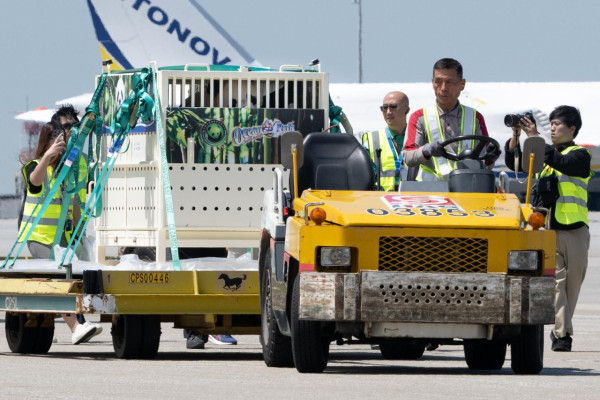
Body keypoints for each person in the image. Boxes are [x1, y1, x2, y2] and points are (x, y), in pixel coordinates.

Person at [505, 105, 592, 352]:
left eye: (557, 124)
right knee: (556, 283)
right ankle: (562, 333)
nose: (552, 128)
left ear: (572, 129)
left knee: (572, 285)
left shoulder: (580, 155)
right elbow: (517, 163)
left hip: (575, 230)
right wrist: (516, 135)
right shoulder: (543, 156)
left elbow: (561, 161)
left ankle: (561, 328)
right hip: (547, 231)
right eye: (550, 124)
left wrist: (535, 138)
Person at [18, 105, 102, 345]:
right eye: (67, 127)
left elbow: (79, 209)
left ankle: (85, 321)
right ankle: (76, 327)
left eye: (76, 126)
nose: (73, 131)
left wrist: (81, 233)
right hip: (39, 237)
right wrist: (48, 156)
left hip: (66, 237)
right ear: (55, 134)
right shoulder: (36, 165)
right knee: (60, 271)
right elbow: (34, 182)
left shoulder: (82, 164)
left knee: (83, 269)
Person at [402, 58, 499, 181]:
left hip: (466, 188)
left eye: (449, 82)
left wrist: (491, 158)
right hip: (430, 193)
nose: (443, 88)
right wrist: (426, 150)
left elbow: (486, 162)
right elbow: (407, 157)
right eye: (438, 81)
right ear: (432, 83)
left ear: (462, 84)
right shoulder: (419, 117)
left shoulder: (476, 117)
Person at [362, 91, 410, 190]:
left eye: (393, 107)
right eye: (384, 108)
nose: (388, 112)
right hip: (381, 201)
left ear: (406, 110)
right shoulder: (371, 139)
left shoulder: (418, 137)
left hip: (412, 200)